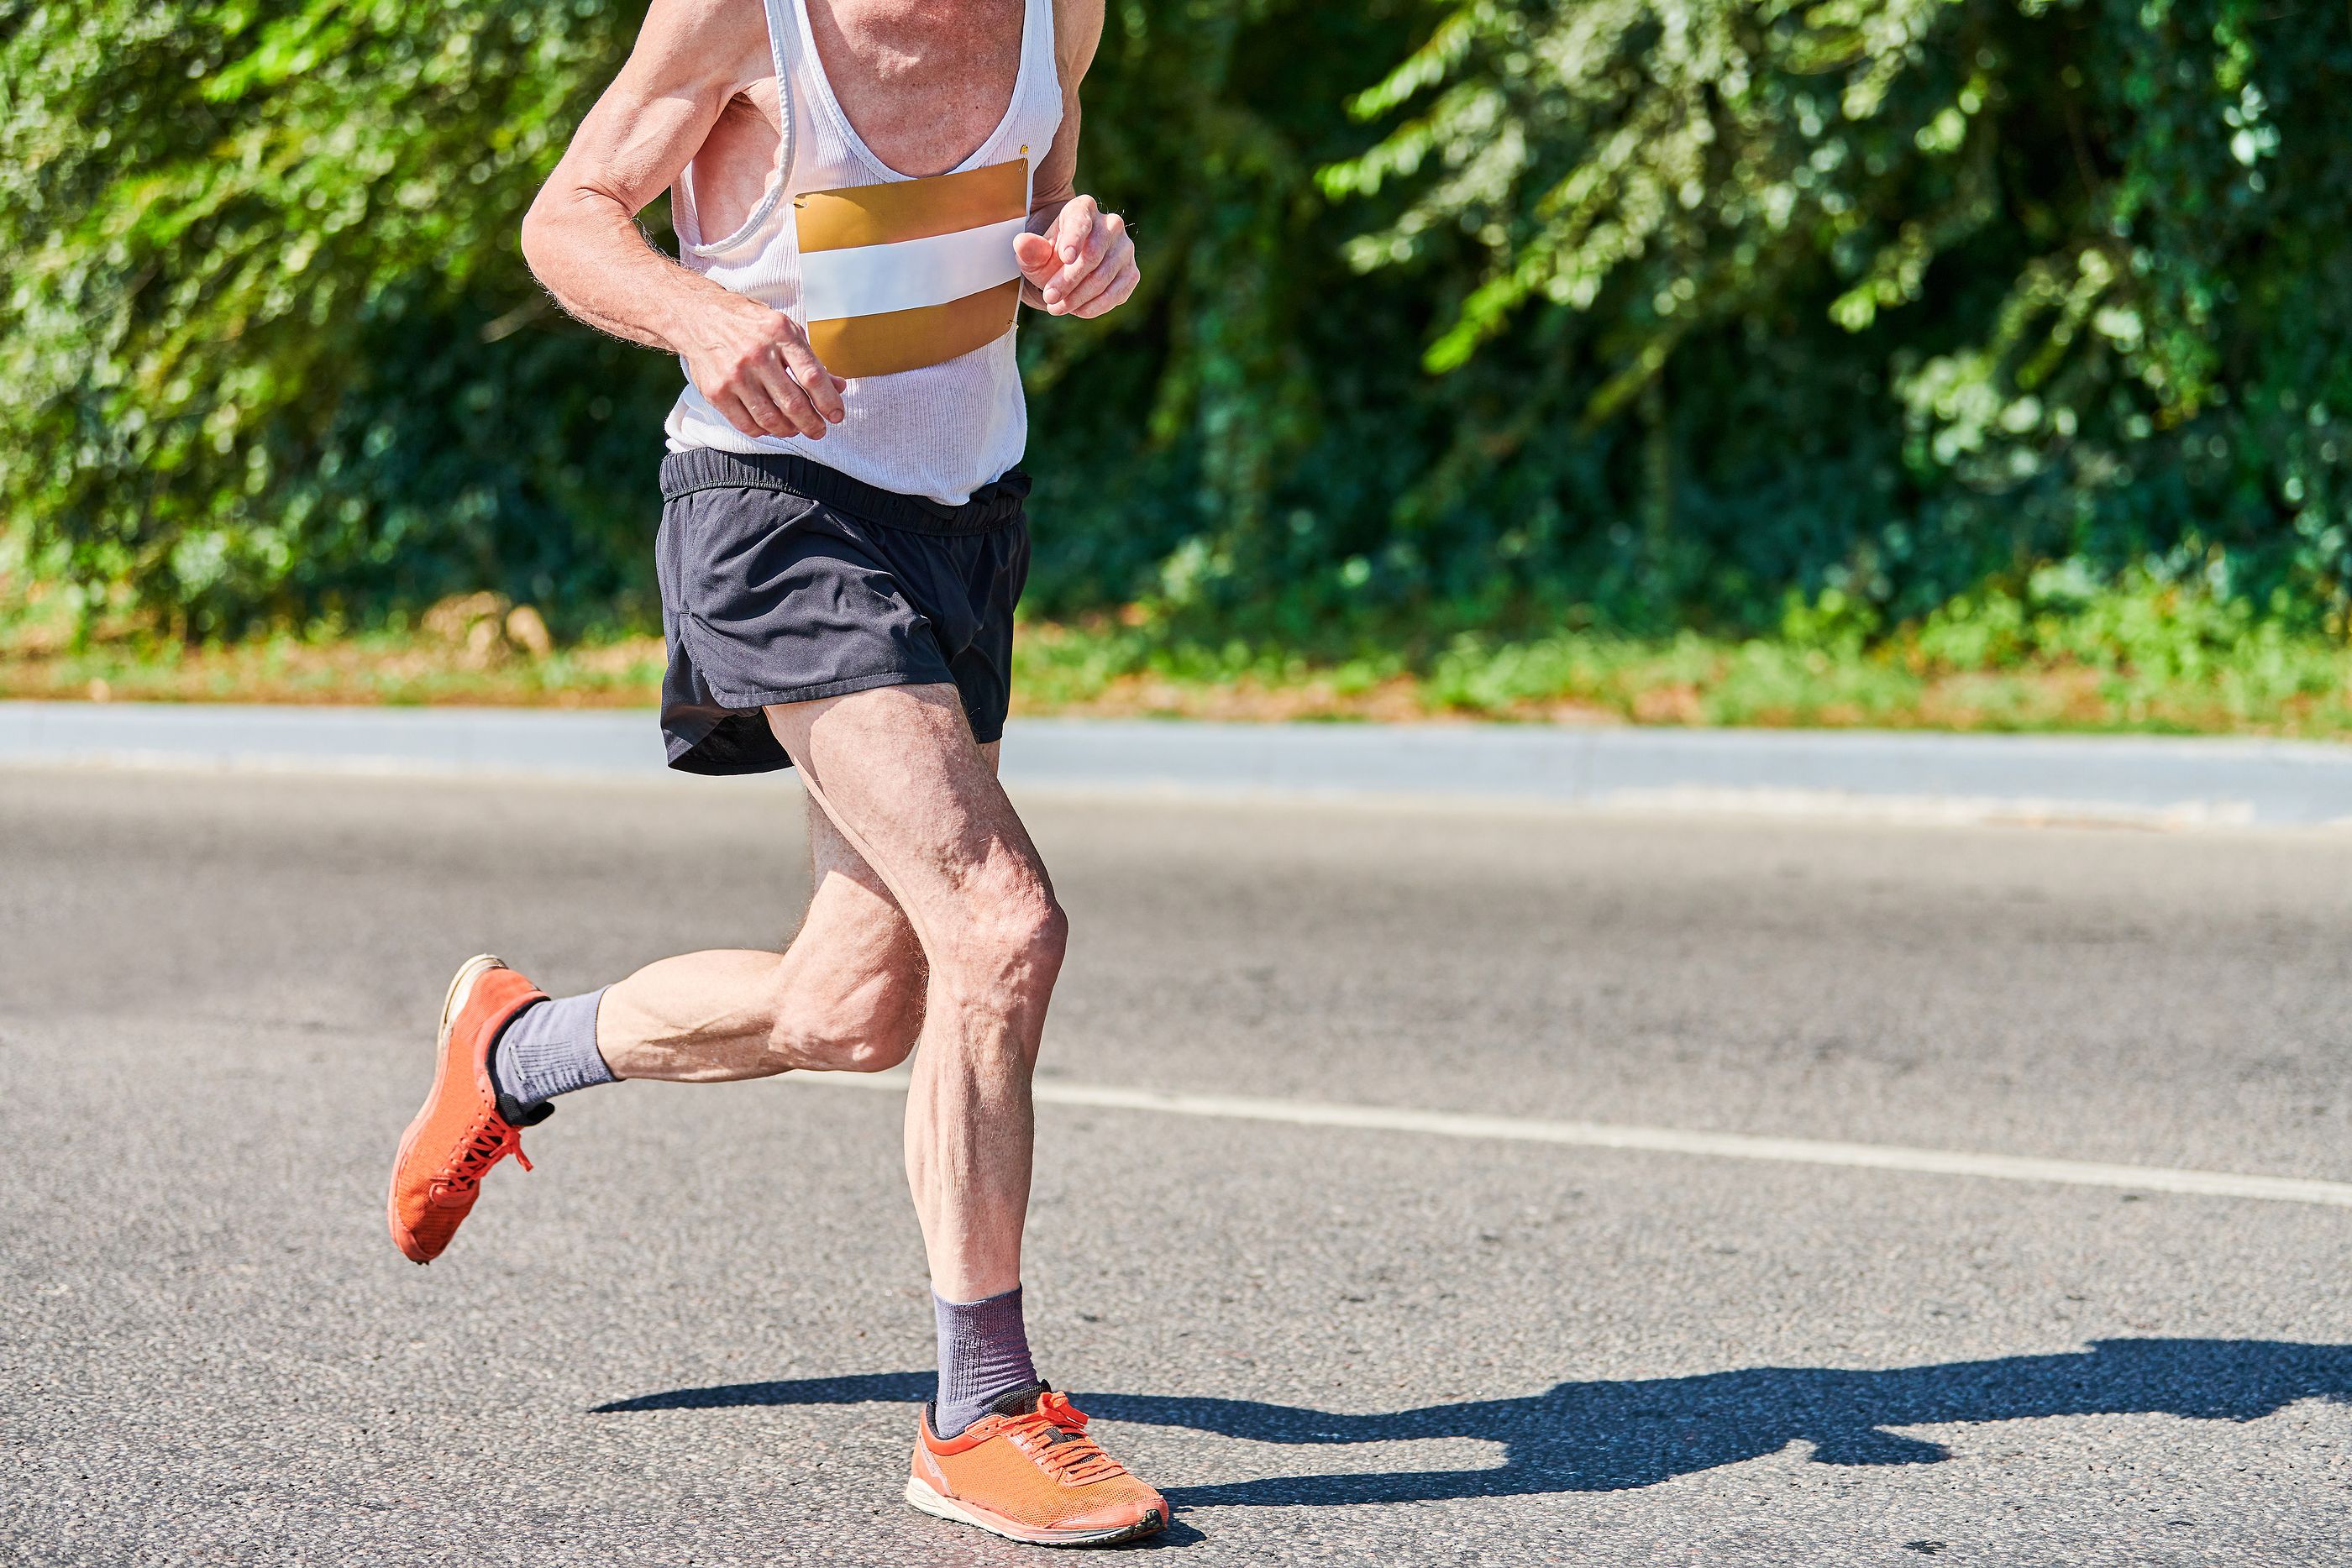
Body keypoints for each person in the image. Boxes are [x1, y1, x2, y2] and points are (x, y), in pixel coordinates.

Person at [383, 0, 1163, 1545]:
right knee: (1000, 925)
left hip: (966, 512)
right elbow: (569, 217)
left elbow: (1039, 216)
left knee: (851, 1008)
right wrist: (701, 317)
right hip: (779, 504)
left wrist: (1082, 257)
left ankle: (517, 1054)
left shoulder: (1056, 11)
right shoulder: (749, 15)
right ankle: (983, 1406)